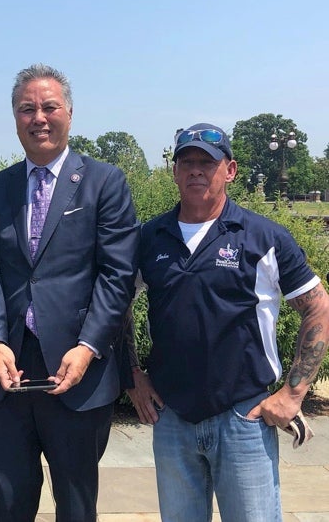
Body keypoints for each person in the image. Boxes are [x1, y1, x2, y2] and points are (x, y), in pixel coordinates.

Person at [126, 123, 329, 522]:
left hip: (244, 419)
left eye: (208, 162)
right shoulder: (149, 238)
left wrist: (292, 394)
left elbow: (318, 307)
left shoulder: (262, 236)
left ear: (230, 170)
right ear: (174, 171)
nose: (196, 171)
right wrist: (132, 373)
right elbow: (117, 308)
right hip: (173, 419)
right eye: (187, 162)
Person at [0, 63, 140, 521]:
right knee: (7, 504)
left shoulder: (105, 182)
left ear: (69, 112)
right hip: (10, 373)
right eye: (27, 109)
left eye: (49, 107)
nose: (38, 117)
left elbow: (117, 275)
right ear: (15, 118)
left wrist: (87, 348)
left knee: (77, 503)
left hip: (77, 374)